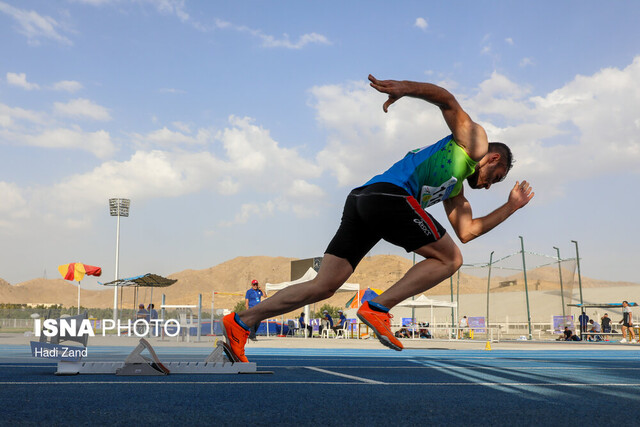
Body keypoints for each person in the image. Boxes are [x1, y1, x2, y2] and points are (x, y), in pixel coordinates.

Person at [222, 74, 534, 362]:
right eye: (496, 176)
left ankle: (242, 321)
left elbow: (467, 230)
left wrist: (511, 207)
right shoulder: (475, 141)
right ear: (493, 158)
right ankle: (378, 306)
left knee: (324, 285)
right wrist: (404, 88)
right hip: (388, 196)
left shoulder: (454, 191)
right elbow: (447, 100)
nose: (490, 184)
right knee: (450, 259)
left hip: (363, 199)